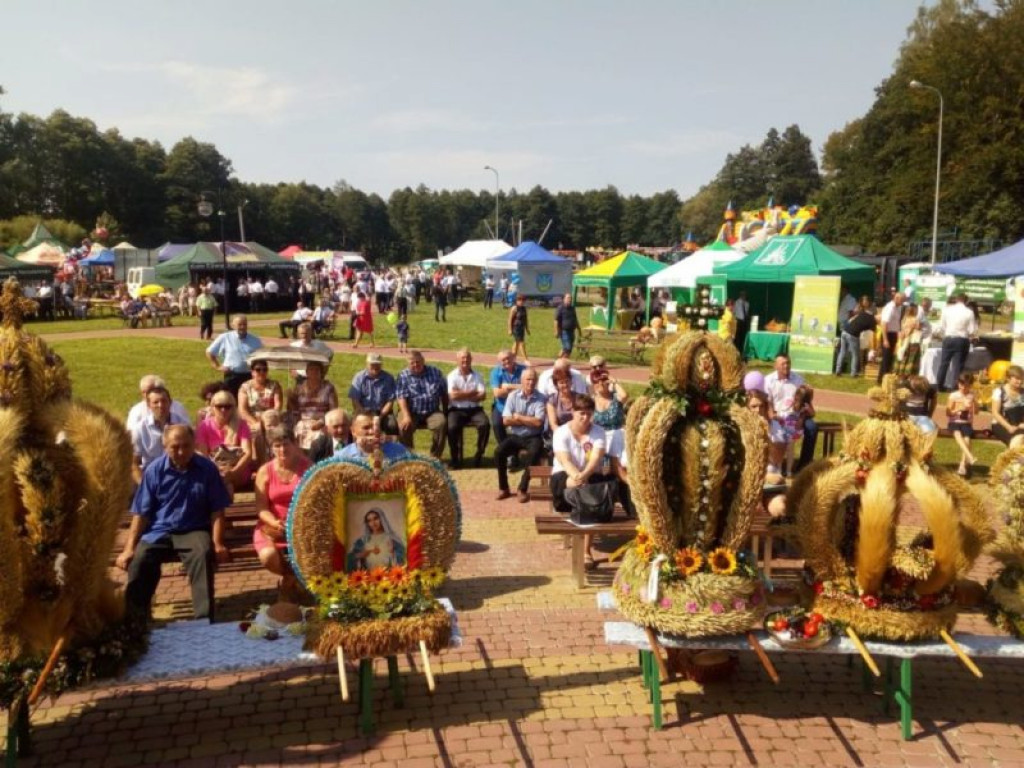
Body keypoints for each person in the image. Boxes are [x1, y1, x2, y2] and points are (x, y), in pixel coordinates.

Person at [116, 425, 232, 622]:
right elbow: (141, 513)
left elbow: (217, 510)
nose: (181, 452)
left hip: (193, 528)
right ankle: (135, 620)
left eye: (186, 446)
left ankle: (204, 620)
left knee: (203, 555)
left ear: (194, 444)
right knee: (140, 560)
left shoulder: (207, 469)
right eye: (175, 447)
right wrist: (129, 548)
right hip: (159, 530)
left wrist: (218, 543)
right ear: (165, 446)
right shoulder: (154, 471)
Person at [550, 394, 613, 565]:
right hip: (565, 475)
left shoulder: (598, 432)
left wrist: (584, 476)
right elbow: (564, 460)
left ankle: (586, 551)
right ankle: (583, 547)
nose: (585, 418)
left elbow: (596, 459)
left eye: (589, 413)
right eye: (581, 414)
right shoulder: (561, 433)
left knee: (589, 493)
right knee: (582, 490)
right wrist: (577, 477)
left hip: (589, 474)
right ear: (572, 412)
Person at [252, 425, 311, 597]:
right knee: (268, 555)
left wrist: (300, 521)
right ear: (271, 448)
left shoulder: (307, 467)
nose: (282, 449)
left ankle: (288, 587)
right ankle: (291, 577)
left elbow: (315, 501)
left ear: (294, 444)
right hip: (273, 526)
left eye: (286, 444)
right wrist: (274, 522)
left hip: (303, 525)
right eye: (277, 445)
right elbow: (261, 508)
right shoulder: (265, 471)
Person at [494, 368, 546, 503]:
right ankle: (503, 488)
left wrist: (518, 417)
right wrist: (527, 419)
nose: (531, 382)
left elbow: (538, 422)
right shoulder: (513, 396)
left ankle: (522, 488)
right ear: (522, 381)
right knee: (499, 452)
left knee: (535, 454)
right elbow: (505, 420)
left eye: (534, 379)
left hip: (533, 437)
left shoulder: (541, 398)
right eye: (528, 379)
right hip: (515, 436)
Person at [764, 354, 818, 473]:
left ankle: (804, 466)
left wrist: (802, 419)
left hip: (797, 415)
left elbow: (805, 401)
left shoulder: (798, 380)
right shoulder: (768, 380)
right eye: (783, 363)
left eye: (788, 363)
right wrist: (771, 415)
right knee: (776, 431)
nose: (786, 366)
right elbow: (767, 403)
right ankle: (775, 463)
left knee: (812, 427)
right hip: (778, 415)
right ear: (776, 366)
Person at [196, 390, 254, 493]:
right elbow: (203, 455)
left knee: (224, 482)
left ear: (233, 408)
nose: (223, 410)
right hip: (213, 468)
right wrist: (217, 470)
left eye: (228, 407)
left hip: (238, 469)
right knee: (225, 483)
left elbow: (248, 453)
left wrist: (234, 472)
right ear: (212, 408)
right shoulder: (204, 426)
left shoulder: (241, 424)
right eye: (219, 406)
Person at [131, 385, 190, 484]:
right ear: (148, 405)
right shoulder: (139, 429)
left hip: (180, 476)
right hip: (152, 478)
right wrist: (143, 485)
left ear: (170, 402)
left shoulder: (184, 425)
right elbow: (134, 463)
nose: (160, 405)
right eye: (155, 402)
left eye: (164, 401)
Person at [395, 351, 449, 459]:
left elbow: (444, 393)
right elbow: (401, 397)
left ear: (423, 361)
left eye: (418, 362)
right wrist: (406, 416)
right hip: (411, 411)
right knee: (403, 426)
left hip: (432, 411)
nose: (415, 365)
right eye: (412, 363)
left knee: (442, 423)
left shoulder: (435, 372)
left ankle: (435, 457)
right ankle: (408, 457)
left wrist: (445, 411)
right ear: (408, 364)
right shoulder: (403, 375)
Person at [446, 348, 490, 468]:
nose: (465, 360)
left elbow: (483, 395)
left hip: (475, 410)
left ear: (471, 359)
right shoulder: (451, 376)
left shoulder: (478, 375)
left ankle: (479, 455)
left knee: (485, 425)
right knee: (451, 427)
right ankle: (455, 458)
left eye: (467, 358)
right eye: (462, 358)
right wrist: (472, 392)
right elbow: (452, 396)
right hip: (456, 409)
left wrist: (461, 394)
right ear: (457, 360)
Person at [237, 359, 284, 466]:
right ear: (252, 372)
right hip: (252, 419)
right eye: (258, 370)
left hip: (271, 418)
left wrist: (270, 418)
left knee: (272, 429)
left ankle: (273, 461)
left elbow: (278, 405)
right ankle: (258, 463)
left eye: (264, 369)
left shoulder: (274, 385)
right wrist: (255, 423)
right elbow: (242, 410)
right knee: (257, 431)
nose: (262, 372)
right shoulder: (245, 387)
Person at [286, 360, 339, 453]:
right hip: (303, 421)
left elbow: (333, 410)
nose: (314, 372)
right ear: (306, 372)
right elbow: (293, 409)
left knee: (319, 437)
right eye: (311, 369)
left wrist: (322, 422)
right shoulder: (299, 388)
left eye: (317, 370)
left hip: (322, 421)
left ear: (321, 373)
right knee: (297, 431)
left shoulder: (328, 387)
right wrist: (290, 399)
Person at [206, 315, 263, 397]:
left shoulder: (255, 340)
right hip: (232, 376)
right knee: (231, 400)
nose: (242, 327)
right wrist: (217, 366)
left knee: (249, 400)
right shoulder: (225, 337)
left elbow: (261, 357)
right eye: (240, 325)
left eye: (244, 324)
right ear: (233, 325)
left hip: (250, 376)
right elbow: (209, 352)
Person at [936, 293, 978, 392]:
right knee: (957, 365)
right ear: (966, 301)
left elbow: (942, 326)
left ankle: (939, 386)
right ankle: (955, 387)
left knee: (944, 363)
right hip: (961, 339)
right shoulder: (969, 312)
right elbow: (972, 330)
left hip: (948, 338)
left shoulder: (947, 310)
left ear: (956, 300)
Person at [349, 353, 398, 435]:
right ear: (367, 364)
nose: (375, 367)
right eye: (372, 364)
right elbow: (355, 400)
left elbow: (390, 402)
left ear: (381, 364)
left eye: (377, 364)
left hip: (383, 412)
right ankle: (355, 445)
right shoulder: (359, 377)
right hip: (363, 410)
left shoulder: (388, 378)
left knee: (392, 425)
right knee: (353, 425)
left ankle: (391, 446)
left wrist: (380, 416)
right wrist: (364, 414)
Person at [126, 374, 190, 434]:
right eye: (143, 392)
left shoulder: (177, 408)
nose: (160, 405)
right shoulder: (136, 411)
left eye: (149, 391)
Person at [339, 413, 410, 461]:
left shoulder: (399, 452)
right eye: (366, 428)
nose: (372, 432)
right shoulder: (342, 457)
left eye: (376, 427)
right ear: (353, 431)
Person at [490, 349, 525, 446]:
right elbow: (497, 393)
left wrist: (508, 386)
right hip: (502, 406)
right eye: (503, 360)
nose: (506, 361)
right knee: (497, 424)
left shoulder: (524, 369)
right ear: (499, 362)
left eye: (508, 358)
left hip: (520, 405)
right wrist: (520, 388)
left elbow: (528, 389)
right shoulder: (495, 372)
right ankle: (505, 449)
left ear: (513, 358)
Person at [945, 372, 977, 477]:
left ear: (970, 385)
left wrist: (975, 404)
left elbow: (976, 412)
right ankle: (970, 457)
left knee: (967, 439)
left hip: (966, 423)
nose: (963, 387)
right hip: (954, 422)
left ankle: (962, 465)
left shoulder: (972, 395)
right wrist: (959, 408)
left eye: (966, 385)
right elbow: (948, 413)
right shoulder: (954, 395)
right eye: (961, 384)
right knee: (958, 435)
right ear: (958, 384)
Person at [836, 297, 876, 377]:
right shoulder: (872, 320)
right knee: (855, 354)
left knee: (842, 352)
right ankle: (853, 373)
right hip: (853, 334)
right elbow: (872, 335)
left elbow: (852, 319)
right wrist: (872, 347)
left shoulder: (862, 313)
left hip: (845, 331)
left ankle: (838, 370)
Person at [991, 365, 1024, 448]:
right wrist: (1008, 427)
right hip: (1002, 424)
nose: (1020, 381)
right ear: (1008, 378)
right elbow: (995, 413)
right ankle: (1013, 459)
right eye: (1017, 379)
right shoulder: (1000, 392)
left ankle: (1013, 459)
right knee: (1018, 440)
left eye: (1021, 378)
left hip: (1019, 425)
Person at [877, 292, 905, 383]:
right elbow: (884, 323)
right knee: (886, 358)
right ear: (896, 299)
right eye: (902, 300)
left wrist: (899, 331)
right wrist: (885, 339)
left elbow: (897, 322)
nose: (903, 302)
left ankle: (884, 379)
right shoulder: (890, 307)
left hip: (893, 334)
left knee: (890, 358)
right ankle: (883, 380)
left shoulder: (899, 307)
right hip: (887, 334)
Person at [896, 303, 923, 375]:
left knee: (904, 356)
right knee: (910, 358)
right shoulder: (915, 319)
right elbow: (917, 328)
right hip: (912, 341)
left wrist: (904, 334)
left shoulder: (904, 319)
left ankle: (901, 372)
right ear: (914, 310)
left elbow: (903, 329)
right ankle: (908, 374)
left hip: (905, 339)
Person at [554, 293, 580, 359]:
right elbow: (556, 320)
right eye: (568, 298)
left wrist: (579, 329)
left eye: (570, 298)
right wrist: (556, 331)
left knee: (568, 348)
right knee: (567, 348)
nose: (570, 299)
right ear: (564, 299)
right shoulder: (560, 308)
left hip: (572, 331)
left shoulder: (572, 308)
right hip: (564, 331)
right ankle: (563, 362)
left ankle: (559, 360)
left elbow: (575, 319)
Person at [508, 294, 529, 362]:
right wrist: (510, 329)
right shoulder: (514, 308)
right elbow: (510, 319)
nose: (521, 302)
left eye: (523, 300)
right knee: (521, 343)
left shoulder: (524, 308)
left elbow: (525, 319)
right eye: (519, 300)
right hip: (515, 328)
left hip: (521, 328)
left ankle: (513, 358)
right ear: (516, 301)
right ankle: (525, 359)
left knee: (516, 343)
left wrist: (527, 328)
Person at [733, 291, 750, 355]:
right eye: (743, 295)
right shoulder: (736, 302)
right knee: (737, 337)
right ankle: (737, 350)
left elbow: (747, 313)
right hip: (738, 321)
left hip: (744, 322)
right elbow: (734, 312)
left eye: (745, 295)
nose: (744, 296)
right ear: (740, 296)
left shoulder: (747, 303)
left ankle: (742, 351)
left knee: (743, 337)